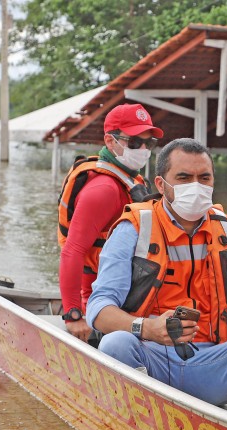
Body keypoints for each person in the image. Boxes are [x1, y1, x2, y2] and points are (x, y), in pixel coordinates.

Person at [86, 138, 227, 423]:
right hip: (153, 361)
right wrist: (147, 327)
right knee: (116, 344)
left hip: (214, 363)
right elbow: (98, 309)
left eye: (204, 178)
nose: (196, 185)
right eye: (184, 178)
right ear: (160, 184)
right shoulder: (134, 228)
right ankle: (142, 425)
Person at [57, 103, 162, 341]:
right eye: (135, 142)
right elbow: (72, 250)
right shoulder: (104, 189)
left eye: (149, 143)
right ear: (110, 141)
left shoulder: (132, 180)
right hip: (98, 301)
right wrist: (73, 315)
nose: (144, 149)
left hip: (125, 293)